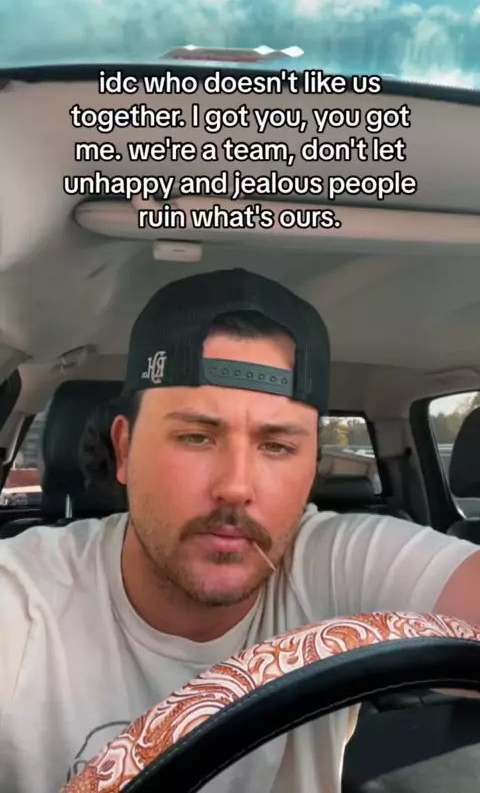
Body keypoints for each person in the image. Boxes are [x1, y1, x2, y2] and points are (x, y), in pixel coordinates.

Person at [1, 267, 479, 793]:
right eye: (196, 437)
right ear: (125, 449)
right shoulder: (25, 598)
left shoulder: (332, 564)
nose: (235, 487)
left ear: (312, 467)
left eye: (277, 446)